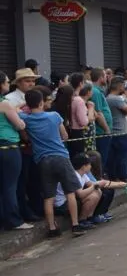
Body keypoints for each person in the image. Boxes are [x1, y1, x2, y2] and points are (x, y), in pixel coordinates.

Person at [19, 89, 85, 237]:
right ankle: (75, 225)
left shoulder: (26, 119)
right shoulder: (54, 116)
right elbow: (65, 135)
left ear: (28, 105)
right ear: (42, 102)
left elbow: (16, 112)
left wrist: (26, 104)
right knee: (70, 193)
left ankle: (52, 228)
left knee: (49, 197)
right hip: (61, 156)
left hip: (42, 160)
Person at [0, 71, 31, 230]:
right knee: (10, 185)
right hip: (9, 147)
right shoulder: (4, 103)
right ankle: (14, 220)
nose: (8, 84)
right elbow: (20, 125)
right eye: (6, 82)